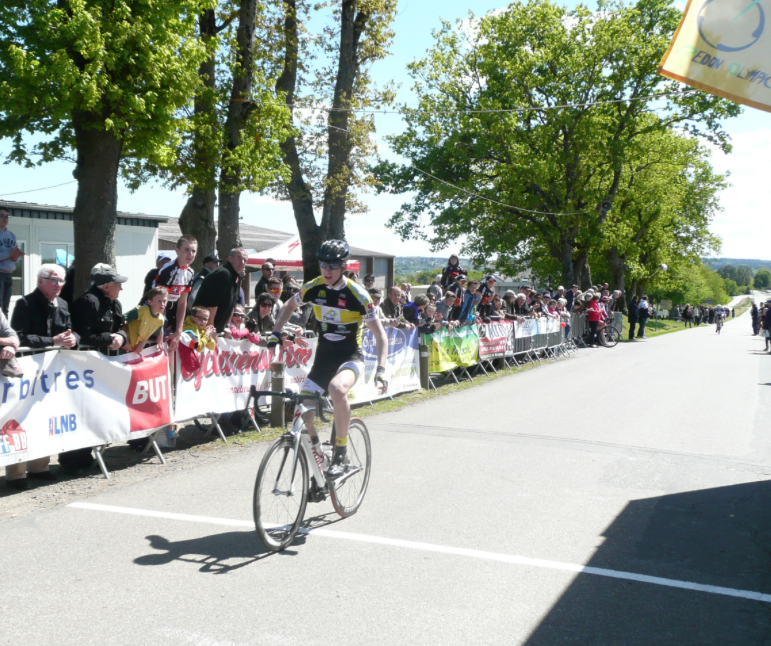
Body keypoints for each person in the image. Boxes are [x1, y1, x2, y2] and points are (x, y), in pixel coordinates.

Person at [267, 240, 389, 479]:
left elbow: (381, 336)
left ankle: (340, 452)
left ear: (343, 266)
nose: (327, 270)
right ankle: (318, 457)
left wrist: (382, 368)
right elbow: (290, 306)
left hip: (350, 356)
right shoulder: (313, 287)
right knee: (303, 414)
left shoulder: (358, 294)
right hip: (323, 358)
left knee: (336, 388)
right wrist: (276, 331)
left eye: (333, 265)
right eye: (324, 264)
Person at [11, 264, 78, 352]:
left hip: (58, 360)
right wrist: (52, 341)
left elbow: (70, 329)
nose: (58, 285)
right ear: (40, 281)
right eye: (54, 280)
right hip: (33, 359)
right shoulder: (25, 303)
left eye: (61, 281)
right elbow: (18, 336)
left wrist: (73, 338)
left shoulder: (62, 304)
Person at [71, 264, 128, 354]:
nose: (121, 288)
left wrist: (122, 336)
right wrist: (110, 339)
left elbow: (121, 327)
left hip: (112, 359)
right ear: (106, 287)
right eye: (118, 284)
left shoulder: (116, 304)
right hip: (88, 361)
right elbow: (82, 335)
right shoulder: (88, 302)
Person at [154, 234, 197, 350]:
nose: (190, 254)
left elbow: (182, 303)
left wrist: (178, 331)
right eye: (187, 250)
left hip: (167, 313)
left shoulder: (190, 273)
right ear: (177, 251)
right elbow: (159, 301)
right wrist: (160, 331)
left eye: (193, 251)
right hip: (153, 312)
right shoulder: (169, 270)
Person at [194, 247, 248, 333]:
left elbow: (231, 305)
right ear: (230, 258)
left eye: (245, 260)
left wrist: (227, 325)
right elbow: (212, 305)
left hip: (219, 328)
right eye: (239, 258)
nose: (242, 263)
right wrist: (210, 329)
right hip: (202, 328)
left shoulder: (236, 277)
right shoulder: (223, 274)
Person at [123, 287, 168, 353]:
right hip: (122, 346)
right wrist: (125, 341)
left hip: (134, 350)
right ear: (150, 302)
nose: (162, 304)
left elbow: (149, 332)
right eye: (159, 301)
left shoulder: (161, 320)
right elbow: (120, 320)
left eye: (164, 301)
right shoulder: (140, 311)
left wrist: (142, 344)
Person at [0, 207, 24, 317]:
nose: (5, 219)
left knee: (5, 307)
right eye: (2, 216)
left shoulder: (11, 235)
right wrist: (10, 253)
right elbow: (9, 253)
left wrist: (16, 256)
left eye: (7, 216)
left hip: (8, 274)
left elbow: (15, 257)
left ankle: (3, 332)